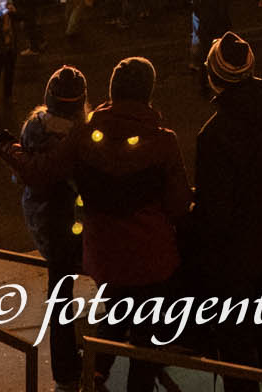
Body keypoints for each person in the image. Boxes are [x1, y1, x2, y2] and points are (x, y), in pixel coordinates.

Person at [187, 33, 262, 392]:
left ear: (214, 77)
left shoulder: (214, 134)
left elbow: (214, 211)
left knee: (236, 344)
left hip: (231, 256)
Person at [73, 57, 189, 392]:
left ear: (112, 90)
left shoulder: (86, 135)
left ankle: (93, 375)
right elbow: (179, 205)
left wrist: (11, 150)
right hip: (150, 257)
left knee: (115, 312)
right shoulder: (164, 141)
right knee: (145, 336)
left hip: (104, 254)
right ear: (148, 93)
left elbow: (48, 171)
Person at [0, 65, 90, 389]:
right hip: (80, 222)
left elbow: (28, 170)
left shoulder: (35, 128)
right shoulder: (86, 134)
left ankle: (66, 373)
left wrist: (7, 148)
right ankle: (99, 358)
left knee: (60, 291)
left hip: (44, 220)